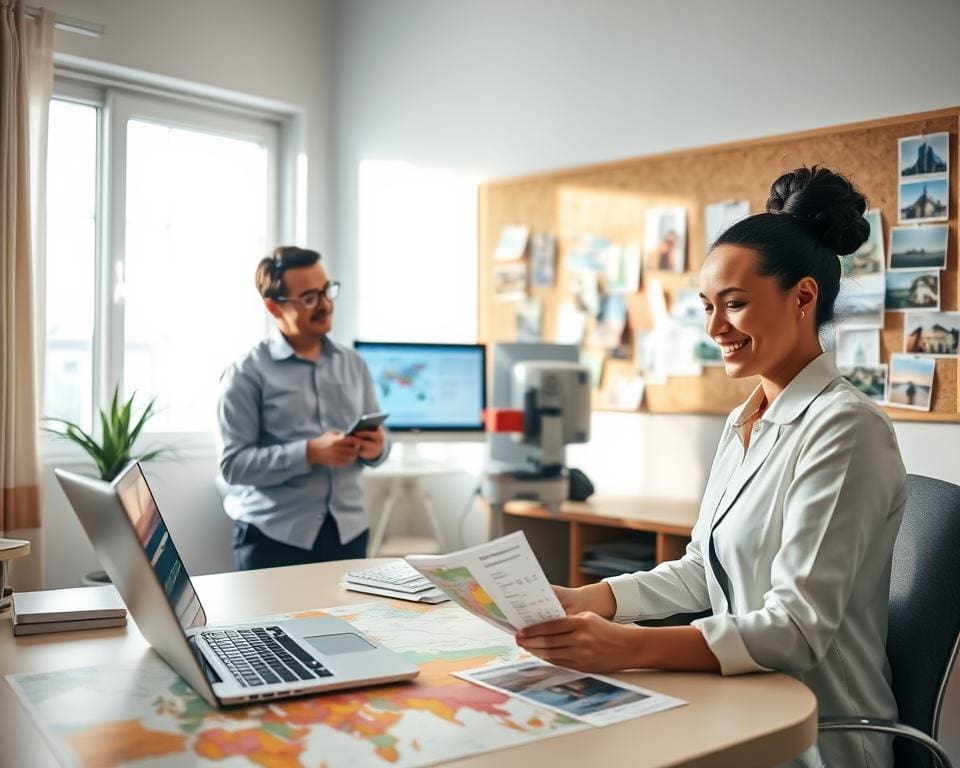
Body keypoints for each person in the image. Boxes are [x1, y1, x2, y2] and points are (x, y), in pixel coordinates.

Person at [517, 167, 906, 768]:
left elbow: (796, 628)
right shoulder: (745, 419)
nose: (715, 328)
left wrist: (629, 647)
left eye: (736, 304)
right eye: (707, 307)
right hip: (745, 703)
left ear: (803, 297)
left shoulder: (846, 429)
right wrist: (595, 599)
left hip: (819, 734)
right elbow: (704, 570)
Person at [216, 246, 389, 571]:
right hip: (273, 540)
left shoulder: (354, 364)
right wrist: (309, 452)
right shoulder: (245, 374)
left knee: (350, 624)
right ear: (274, 307)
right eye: (309, 297)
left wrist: (377, 447)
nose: (325, 303)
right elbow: (233, 465)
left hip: (348, 535)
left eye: (326, 290)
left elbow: (380, 439)